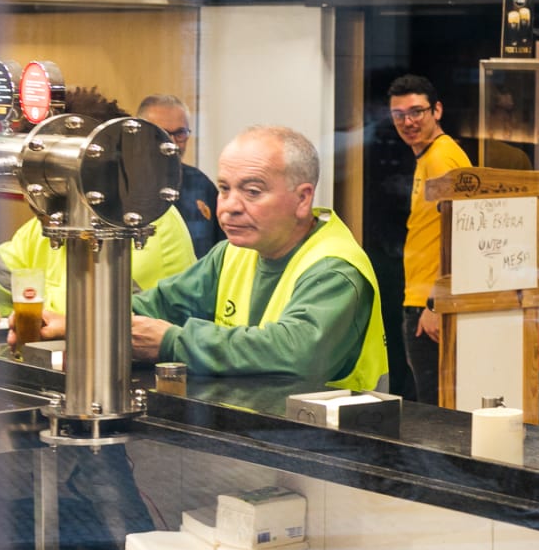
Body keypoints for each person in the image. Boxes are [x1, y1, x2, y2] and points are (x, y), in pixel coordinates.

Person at [111, 125, 387, 387]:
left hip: (337, 422)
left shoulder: (334, 269)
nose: (230, 206)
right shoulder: (231, 254)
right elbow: (157, 305)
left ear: (303, 199)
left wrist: (173, 341)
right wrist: (99, 318)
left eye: (252, 192)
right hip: (255, 416)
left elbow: (294, 353)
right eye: (224, 189)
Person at [2, 89, 197, 342]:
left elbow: (103, 314)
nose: (33, 198)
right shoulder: (49, 222)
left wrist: (49, 317)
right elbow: (4, 273)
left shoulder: (141, 221)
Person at [388, 74, 471, 404]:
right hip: (425, 300)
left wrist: (436, 303)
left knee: (436, 411)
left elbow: (463, 232)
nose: (408, 122)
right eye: (399, 114)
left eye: (416, 112)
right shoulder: (430, 156)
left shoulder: (440, 158)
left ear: (436, 110)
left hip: (432, 307)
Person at [136, 94, 224, 257]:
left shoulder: (200, 184)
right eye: (161, 134)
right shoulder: (124, 188)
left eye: (180, 133)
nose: (172, 143)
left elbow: (222, 249)